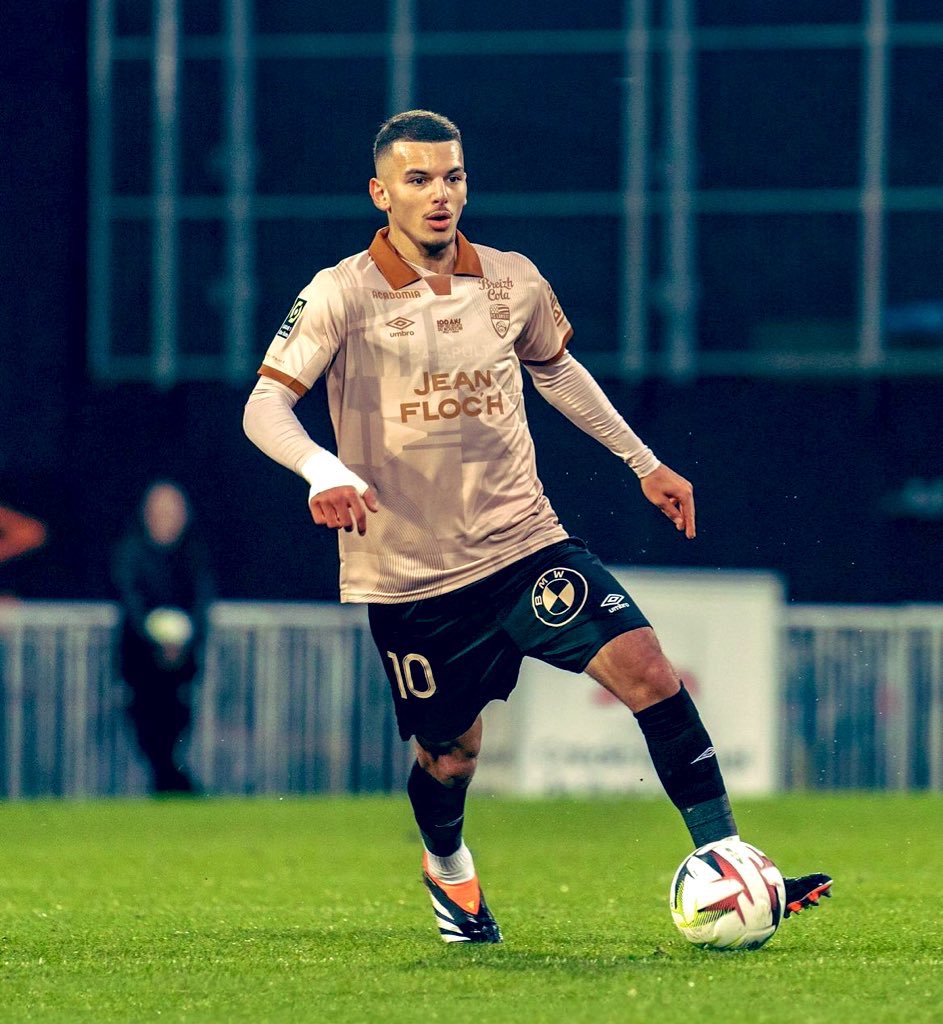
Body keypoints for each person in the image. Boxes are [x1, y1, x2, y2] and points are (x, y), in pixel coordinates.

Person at [243, 110, 831, 943]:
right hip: (412, 577)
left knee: (649, 669)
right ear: (380, 193)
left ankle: (729, 858)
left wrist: (643, 462)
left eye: (451, 176)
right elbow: (264, 404)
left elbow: (556, 370)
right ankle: (448, 868)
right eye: (417, 179)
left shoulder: (512, 279)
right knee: (450, 755)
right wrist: (322, 468)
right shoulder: (339, 292)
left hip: (524, 545)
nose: (438, 194)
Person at [111, 480, 214, 794]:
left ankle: (173, 785)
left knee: (175, 725)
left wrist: (182, 643)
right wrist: (155, 639)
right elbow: (130, 599)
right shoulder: (131, 551)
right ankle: (174, 785)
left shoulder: (193, 554)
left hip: (182, 664)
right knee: (147, 729)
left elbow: (201, 601)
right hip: (140, 662)